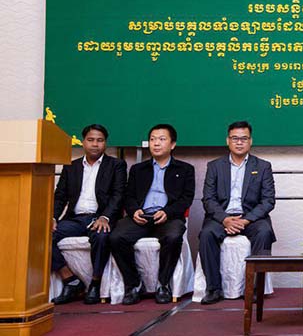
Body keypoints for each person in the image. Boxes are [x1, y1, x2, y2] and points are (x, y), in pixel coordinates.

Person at [109, 124, 195, 305]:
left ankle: (163, 284)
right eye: (152, 139)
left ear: (172, 144)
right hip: (141, 217)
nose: (156, 143)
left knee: (173, 237)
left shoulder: (185, 169)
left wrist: (167, 212)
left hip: (168, 217)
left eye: (162, 139)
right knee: (116, 237)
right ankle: (133, 284)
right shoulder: (137, 169)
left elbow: (186, 199)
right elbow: (128, 196)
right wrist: (134, 211)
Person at [198, 121, 276, 305]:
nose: (239, 142)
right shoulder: (215, 166)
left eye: (244, 138)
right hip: (222, 217)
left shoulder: (263, 166)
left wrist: (245, 220)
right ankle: (213, 289)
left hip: (250, 218)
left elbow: (268, 201)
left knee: (264, 232)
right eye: (235, 138)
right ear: (228, 141)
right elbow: (208, 199)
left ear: (250, 141)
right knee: (207, 234)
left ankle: (255, 288)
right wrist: (225, 219)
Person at [51, 124, 126, 304]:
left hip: (100, 217)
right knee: (40, 235)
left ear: (105, 143)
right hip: (75, 219)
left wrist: (105, 217)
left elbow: (118, 195)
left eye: (100, 140)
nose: (95, 144)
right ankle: (70, 279)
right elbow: (60, 196)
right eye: (91, 140)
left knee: (102, 236)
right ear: (83, 142)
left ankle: (95, 283)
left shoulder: (116, 165)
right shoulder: (71, 166)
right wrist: (52, 217)